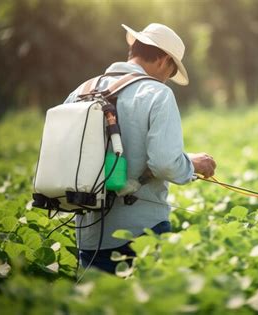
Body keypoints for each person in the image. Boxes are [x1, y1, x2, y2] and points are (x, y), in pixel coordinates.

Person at [63, 23, 217, 273]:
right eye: (172, 69)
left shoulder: (80, 92)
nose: (168, 77)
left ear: (133, 47)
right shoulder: (157, 93)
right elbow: (165, 163)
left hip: (89, 237)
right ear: (165, 60)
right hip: (142, 233)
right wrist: (191, 164)